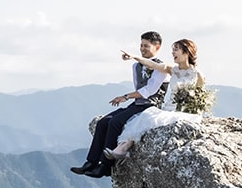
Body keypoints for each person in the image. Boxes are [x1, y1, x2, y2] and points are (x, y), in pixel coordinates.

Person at [70, 31, 170, 179]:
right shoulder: (136, 66)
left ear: (157, 47)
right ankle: (90, 162)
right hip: (137, 104)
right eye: (141, 45)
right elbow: (139, 88)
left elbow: (149, 91)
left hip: (150, 107)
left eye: (146, 46)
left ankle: (105, 166)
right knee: (103, 122)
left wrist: (125, 97)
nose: (142, 48)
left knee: (115, 123)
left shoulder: (161, 68)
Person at [104, 38, 205, 163]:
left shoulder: (197, 74)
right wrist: (133, 56)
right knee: (145, 117)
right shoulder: (172, 69)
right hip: (169, 108)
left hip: (184, 111)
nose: (173, 52)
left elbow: (201, 97)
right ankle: (122, 149)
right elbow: (151, 64)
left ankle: (122, 149)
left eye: (176, 49)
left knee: (151, 120)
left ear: (186, 52)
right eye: (172, 50)